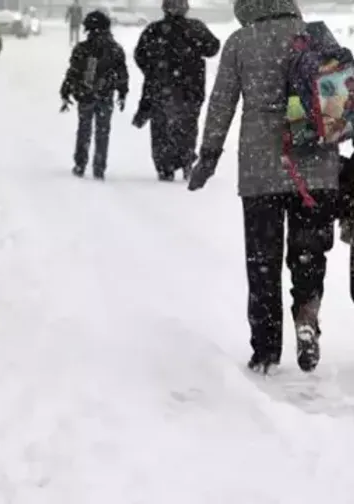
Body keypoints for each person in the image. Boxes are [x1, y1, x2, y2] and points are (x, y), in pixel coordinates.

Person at [187, 0, 339, 374]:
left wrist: (208, 155)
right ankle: (307, 314)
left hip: (261, 169)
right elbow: (338, 99)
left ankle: (266, 350)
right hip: (316, 166)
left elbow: (222, 102)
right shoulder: (316, 36)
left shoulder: (242, 42)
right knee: (309, 253)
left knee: (262, 262)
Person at [134, 0, 219, 181]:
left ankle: (165, 167)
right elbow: (212, 48)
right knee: (187, 126)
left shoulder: (154, 30)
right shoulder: (195, 28)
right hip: (191, 89)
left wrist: (154, 70)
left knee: (161, 129)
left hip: (160, 88)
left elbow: (140, 56)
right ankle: (186, 159)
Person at [60, 10, 128, 180]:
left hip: (86, 94)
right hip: (105, 95)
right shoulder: (115, 49)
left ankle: (80, 163)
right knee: (102, 132)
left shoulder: (82, 48)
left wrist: (66, 91)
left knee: (84, 130)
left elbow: (73, 72)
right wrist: (122, 92)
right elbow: (122, 73)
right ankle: (99, 166)